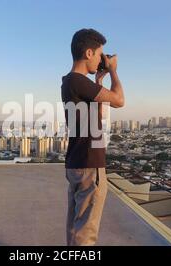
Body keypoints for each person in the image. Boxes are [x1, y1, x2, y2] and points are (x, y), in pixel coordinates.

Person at [61, 28, 125, 246]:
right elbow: (119, 100)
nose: (102, 60)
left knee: (75, 226)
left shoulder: (71, 82)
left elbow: (99, 114)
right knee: (86, 231)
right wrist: (114, 71)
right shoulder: (77, 81)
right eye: (99, 55)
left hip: (78, 162)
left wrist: (99, 80)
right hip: (89, 163)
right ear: (89, 53)